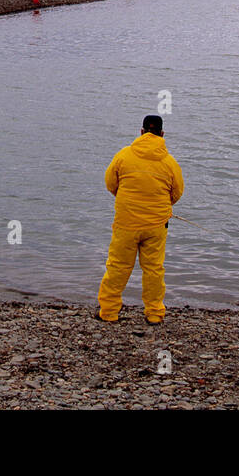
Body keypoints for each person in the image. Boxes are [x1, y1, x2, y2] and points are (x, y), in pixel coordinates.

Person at [97, 115, 183, 324]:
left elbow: (110, 183)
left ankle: (108, 312)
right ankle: (154, 314)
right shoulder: (170, 163)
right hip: (156, 225)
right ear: (162, 134)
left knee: (118, 266)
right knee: (154, 269)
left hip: (126, 223)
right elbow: (177, 193)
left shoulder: (124, 155)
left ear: (142, 132)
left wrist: (127, 199)